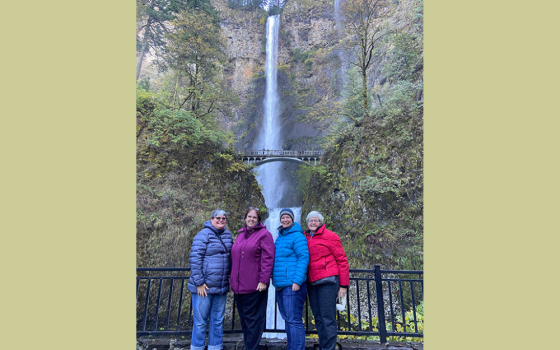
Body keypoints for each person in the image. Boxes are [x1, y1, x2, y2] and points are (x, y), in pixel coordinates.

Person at [187, 210, 233, 350]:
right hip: (204, 287)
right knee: (200, 323)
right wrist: (199, 283)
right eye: (218, 218)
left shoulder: (228, 235)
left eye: (223, 218)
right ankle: (197, 347)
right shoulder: (203, 235)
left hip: (221, 287)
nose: (221, 220)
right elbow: (195, 259)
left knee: (218, 322)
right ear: (212, 219)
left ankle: (216, 347)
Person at [230, 208, 275, 350]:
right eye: (249, 216)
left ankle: (251, 348)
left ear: (258, 220)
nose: (251, 219)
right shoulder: (240, 235)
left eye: (254, 217)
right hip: (238, 287)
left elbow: (268, 259)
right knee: (244, 320)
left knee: (253, 321)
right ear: (245, 218)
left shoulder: (264, 235)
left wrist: (263, 280)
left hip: (254, 286)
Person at [304, 211, 350, 350]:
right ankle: (324, 345)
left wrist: (343, 285)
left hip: (328, 281)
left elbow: (342, 261)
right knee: (318, 316)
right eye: (310, 220)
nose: (313, 223)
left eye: (316, 220)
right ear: (307, 223)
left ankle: (329, 347)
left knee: (327, 317)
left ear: (321, 222)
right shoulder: (304, 237)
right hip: (312, 282)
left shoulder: (331, 236)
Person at [272, 208, 309, 350]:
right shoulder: (280, 236)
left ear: (293, 219)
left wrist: (297, 281)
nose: (285, 220)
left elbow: (303, 257)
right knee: (288, 319)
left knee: (294, 320)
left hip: (292, 285)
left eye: (288, 217)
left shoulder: (298, 236)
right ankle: (291, 347)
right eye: (283, 217)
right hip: (280, 285)